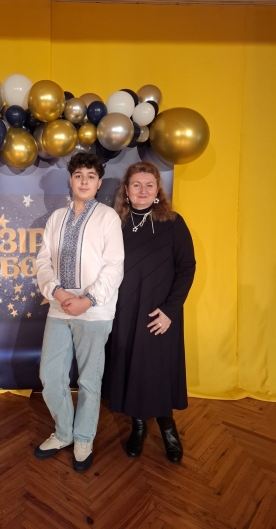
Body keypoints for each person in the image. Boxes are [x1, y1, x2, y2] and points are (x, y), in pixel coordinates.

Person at [35, 152, 124, 472]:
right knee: (50, 376)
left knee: (89, 380)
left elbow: (114, 266)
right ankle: (64, 433)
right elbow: (43, 261)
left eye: (91, 176)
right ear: (70, 181)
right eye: (78, 175)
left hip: (94, 312)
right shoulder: (56, 218)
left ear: (99, 183)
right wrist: (58, 293)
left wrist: (88, 300)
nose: (84, 181)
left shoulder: (108, 218)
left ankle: (84, 437)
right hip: (59, 308)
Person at [103, 161, 195, 463]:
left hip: (160, 314)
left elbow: (186, 268)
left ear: (157, 191)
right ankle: (138, 426)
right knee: (131, 369)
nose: (142, 190)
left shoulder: (173, 223)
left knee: (158, 370)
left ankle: (168, 428)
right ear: (127, 190)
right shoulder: (115, 224)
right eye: (136, 185)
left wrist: (170, 310)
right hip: (124, 313)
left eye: (149, 185)